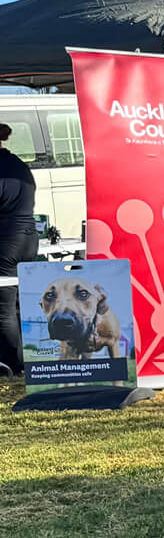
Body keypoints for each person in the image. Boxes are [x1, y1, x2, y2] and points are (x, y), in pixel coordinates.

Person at [0, 124, 38, 377]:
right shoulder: (18, 164)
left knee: (3, 309)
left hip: (6, 240)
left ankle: (12, 365)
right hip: (28, 238)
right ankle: (25, 360)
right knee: (18, 305)